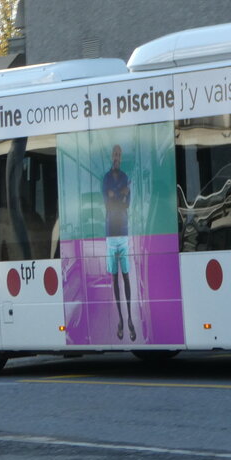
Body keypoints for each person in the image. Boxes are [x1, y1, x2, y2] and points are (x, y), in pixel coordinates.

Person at [102, 144, 136, 341]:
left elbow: (126, 204)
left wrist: (119, 195)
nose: (116, 157)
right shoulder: (106, 179)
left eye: (119, 154)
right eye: (114, 153)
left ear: (121, 157)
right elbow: (108, 202)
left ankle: (130, 317)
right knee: (115, 278)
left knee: (126, 276)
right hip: (110, 234)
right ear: (111, 156)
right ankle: (121, 319)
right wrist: (119, 194)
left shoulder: (124, 178)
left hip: (123, 233)